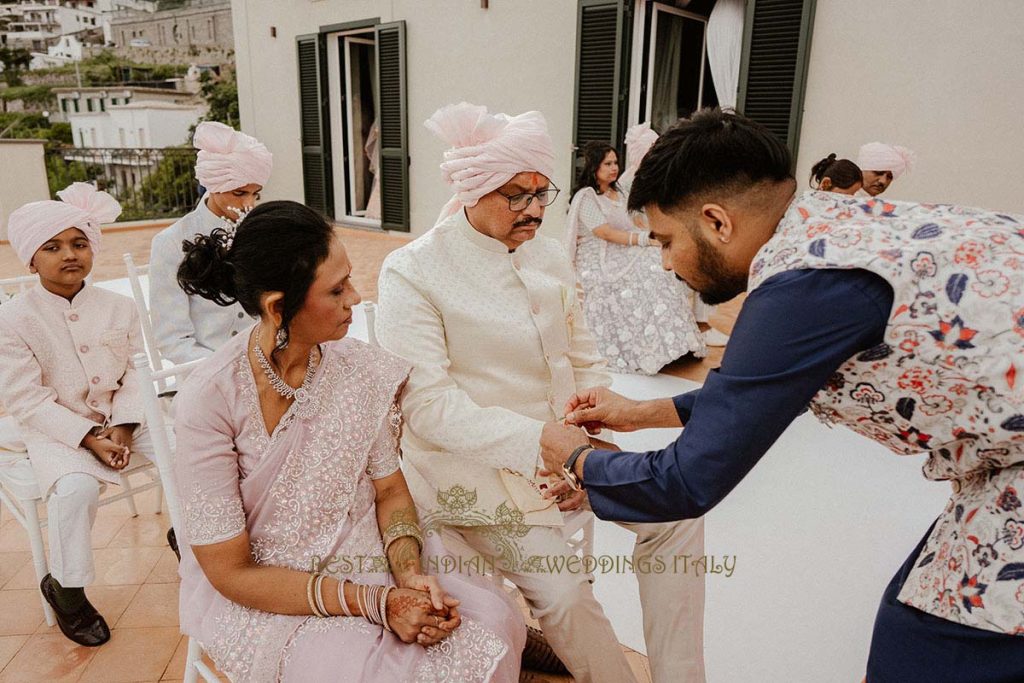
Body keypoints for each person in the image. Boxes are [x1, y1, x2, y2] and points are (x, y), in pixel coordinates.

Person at [539, 108, 1024, 681]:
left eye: (667, 241)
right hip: (1002, 463)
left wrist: (574, 457)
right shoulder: (835, 223)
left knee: (924, 645)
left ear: (717, 221)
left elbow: (686, 481)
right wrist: (641, 411)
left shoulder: (800, 287)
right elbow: (770, 389)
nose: (666, 264)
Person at [377, 102, 706, 683]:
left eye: (541, 193)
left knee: (678, 513)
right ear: (472, 190)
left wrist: (592, 408)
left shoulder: (550, 254)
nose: (533, 210)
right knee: (563, 597)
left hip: (567, 454)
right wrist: (546, 446)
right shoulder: (413, 272)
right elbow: (427, 408)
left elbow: (583, 353)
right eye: (516, 196)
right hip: (470, 475)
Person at [172, 200, 524, 682]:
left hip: (369, 551)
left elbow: (391, 492)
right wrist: (378, 603)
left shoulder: (358, 369)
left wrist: (406, 575)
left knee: (490, 624)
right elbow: (230, 572)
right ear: (278, 307)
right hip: (267, 592)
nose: (355, 299)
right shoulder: (209, 400)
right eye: (336, 290)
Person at [0, 183, 157, 647]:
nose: (69, 254)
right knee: (75, 488)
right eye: (52, 247)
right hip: (54, 427)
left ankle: (196, 546)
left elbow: (134, 374)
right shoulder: (13, 319)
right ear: (31, 259)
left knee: (189, 450)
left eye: (79, 243)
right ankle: (66, 589)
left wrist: (125, 428)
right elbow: (24, 398)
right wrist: (89, 437)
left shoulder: (120, 307)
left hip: (124, 418)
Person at [566, 140, 706, 374]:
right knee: (646, 269)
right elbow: (604, 232)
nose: (614, 168)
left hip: (621, 248)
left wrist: (655, 236)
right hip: (597, 256)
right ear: (594, 167)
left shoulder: (617, 193)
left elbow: (634, 222)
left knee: (657, 265)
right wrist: (642, 240)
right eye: (608, 163)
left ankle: (673, 345)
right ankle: (643, 350)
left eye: (615, 163)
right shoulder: (586, 196)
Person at [149, 121, 272, 364]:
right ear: (213, 185)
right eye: (239, 193)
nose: (249, 204)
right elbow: (172, 340)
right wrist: (226, 371)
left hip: (266, 362)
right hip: (205, 372)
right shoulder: (171, 242)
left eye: (256, 194)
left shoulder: (260, 231)